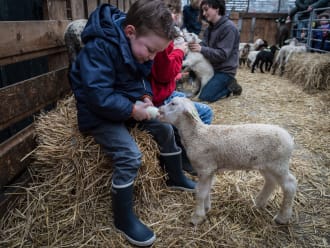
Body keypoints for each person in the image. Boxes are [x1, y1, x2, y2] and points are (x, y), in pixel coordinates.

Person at [69, 1, 195, 246]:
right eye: (150, 51)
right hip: (99, 114)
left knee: (165, 128)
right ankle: (123, 217)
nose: (152, 57)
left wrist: (145, 96)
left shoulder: (139, 46)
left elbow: (143, 76)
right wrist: (130, 109)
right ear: (130, 32)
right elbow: (98, 96)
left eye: (157, 53)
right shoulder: (99, 49)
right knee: (130, 155)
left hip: (125, 106)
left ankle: (175, 175)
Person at [150, 0, 213, 175]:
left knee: (199, 105)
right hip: (160, 95)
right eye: (174, 14)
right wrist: (179, 51)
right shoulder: (161, 36)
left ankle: (189, 153)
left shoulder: (160, 33)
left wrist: (177, 71)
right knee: (205, 112)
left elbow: (164, 72)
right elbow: (163, 73)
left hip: (164, 90)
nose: (177, 17)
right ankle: (188, 157)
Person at [187, 0, 241, 102]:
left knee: (205, 97)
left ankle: (231, 85)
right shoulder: (210, 28)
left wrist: (201, 49)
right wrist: (195, 46)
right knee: (195, 89)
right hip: (210, 67)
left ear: (217, 8)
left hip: (224, 71)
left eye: (206, 9)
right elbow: (205, 45)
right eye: (202, 10)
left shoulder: (229, 28)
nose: (203, 13)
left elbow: (222, 54)